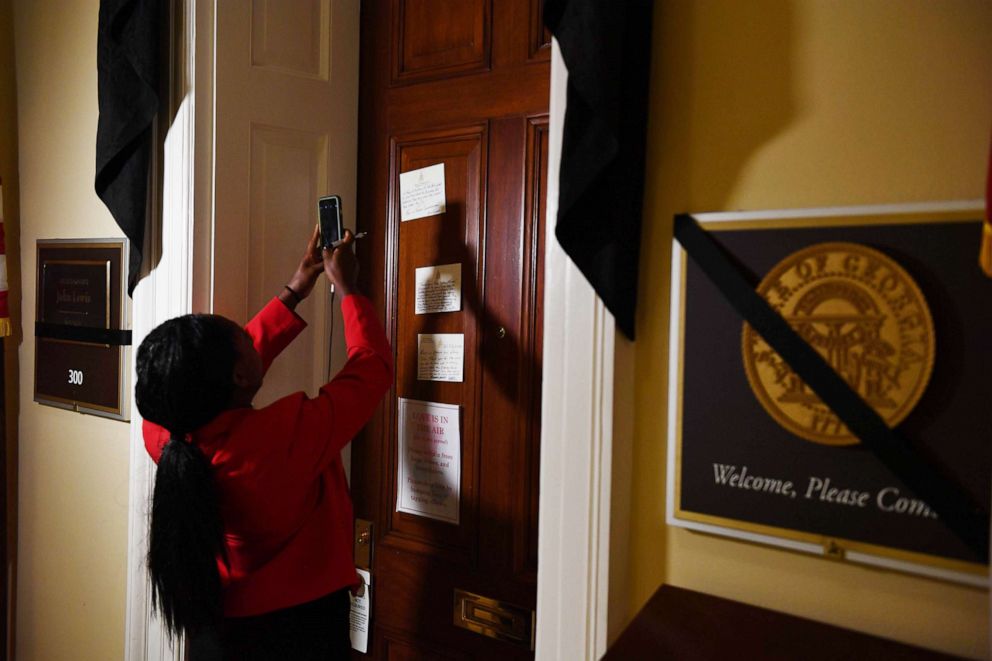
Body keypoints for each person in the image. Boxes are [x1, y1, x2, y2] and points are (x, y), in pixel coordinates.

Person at [135, 227, 392, 659]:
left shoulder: (164, 432)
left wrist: (297, 287)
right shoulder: (283, 439)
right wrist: (348, 288)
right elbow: (371, 369)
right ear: (237, 375)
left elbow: (228, 368)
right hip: (299, 635)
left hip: (214, 634)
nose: (251, 335)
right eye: (242, 336)